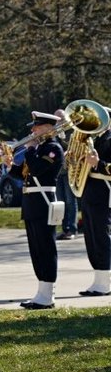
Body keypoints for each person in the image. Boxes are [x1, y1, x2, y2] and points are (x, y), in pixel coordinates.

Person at [10, 112, 65, 309]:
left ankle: (48, 293)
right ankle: (41, 291)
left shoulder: (53, 149)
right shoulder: (39, 148)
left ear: (50, 128)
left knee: (46, 248)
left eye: (38, 126)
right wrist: (10, 163)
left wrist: (30, 150)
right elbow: (23, 173)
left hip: (43, 202)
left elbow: (37, 169)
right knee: (36, 249)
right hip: (31, 202)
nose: (33, 130)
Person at [78, 122, 111, 296]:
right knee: (91, 237)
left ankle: (105, 282)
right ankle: (98, 279)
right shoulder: (91, 140)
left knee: (101, 236)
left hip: (103, 192)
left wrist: (98, 163)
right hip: (89, 190)